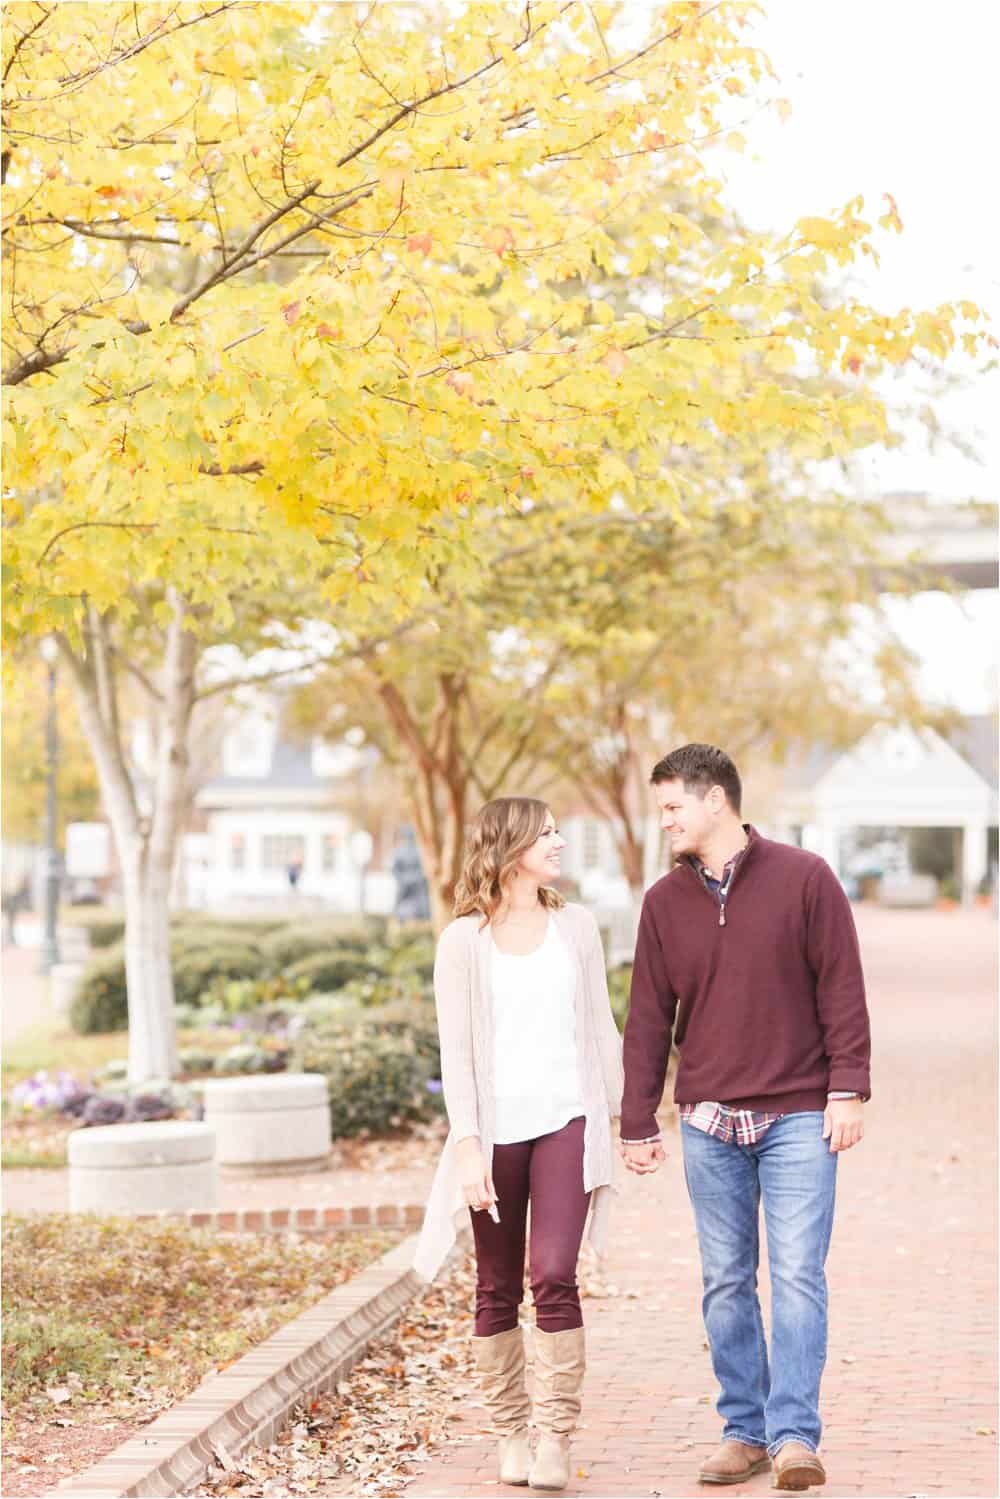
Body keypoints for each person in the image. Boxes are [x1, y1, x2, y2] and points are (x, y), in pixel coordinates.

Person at [620, 744, 870, 1492]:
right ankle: (744, 1429)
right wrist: (638, 1119)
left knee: (797, 1275)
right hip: (707, 1118)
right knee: (725, 1280)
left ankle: (795, 1434)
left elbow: (842, 986)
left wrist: (848, 1086)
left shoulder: (805, 879)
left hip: (798, 1111)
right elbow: (646, 1018)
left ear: (716, 801)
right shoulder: (663, 902)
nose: (663, 819)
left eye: (672, 806)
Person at [414, 797, 624, 1492]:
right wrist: (467, 1145)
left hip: (566, 1121)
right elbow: (459, 1056)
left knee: (555, 1272)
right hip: (496, 1131)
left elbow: (601, 1029)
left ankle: (555, 1436)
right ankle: (510, 1432)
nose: (559, 841)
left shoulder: (578, 927)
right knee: (496, 1285)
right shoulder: (463, 941)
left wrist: (625, 1118)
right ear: (511, 845)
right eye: (546, 831)